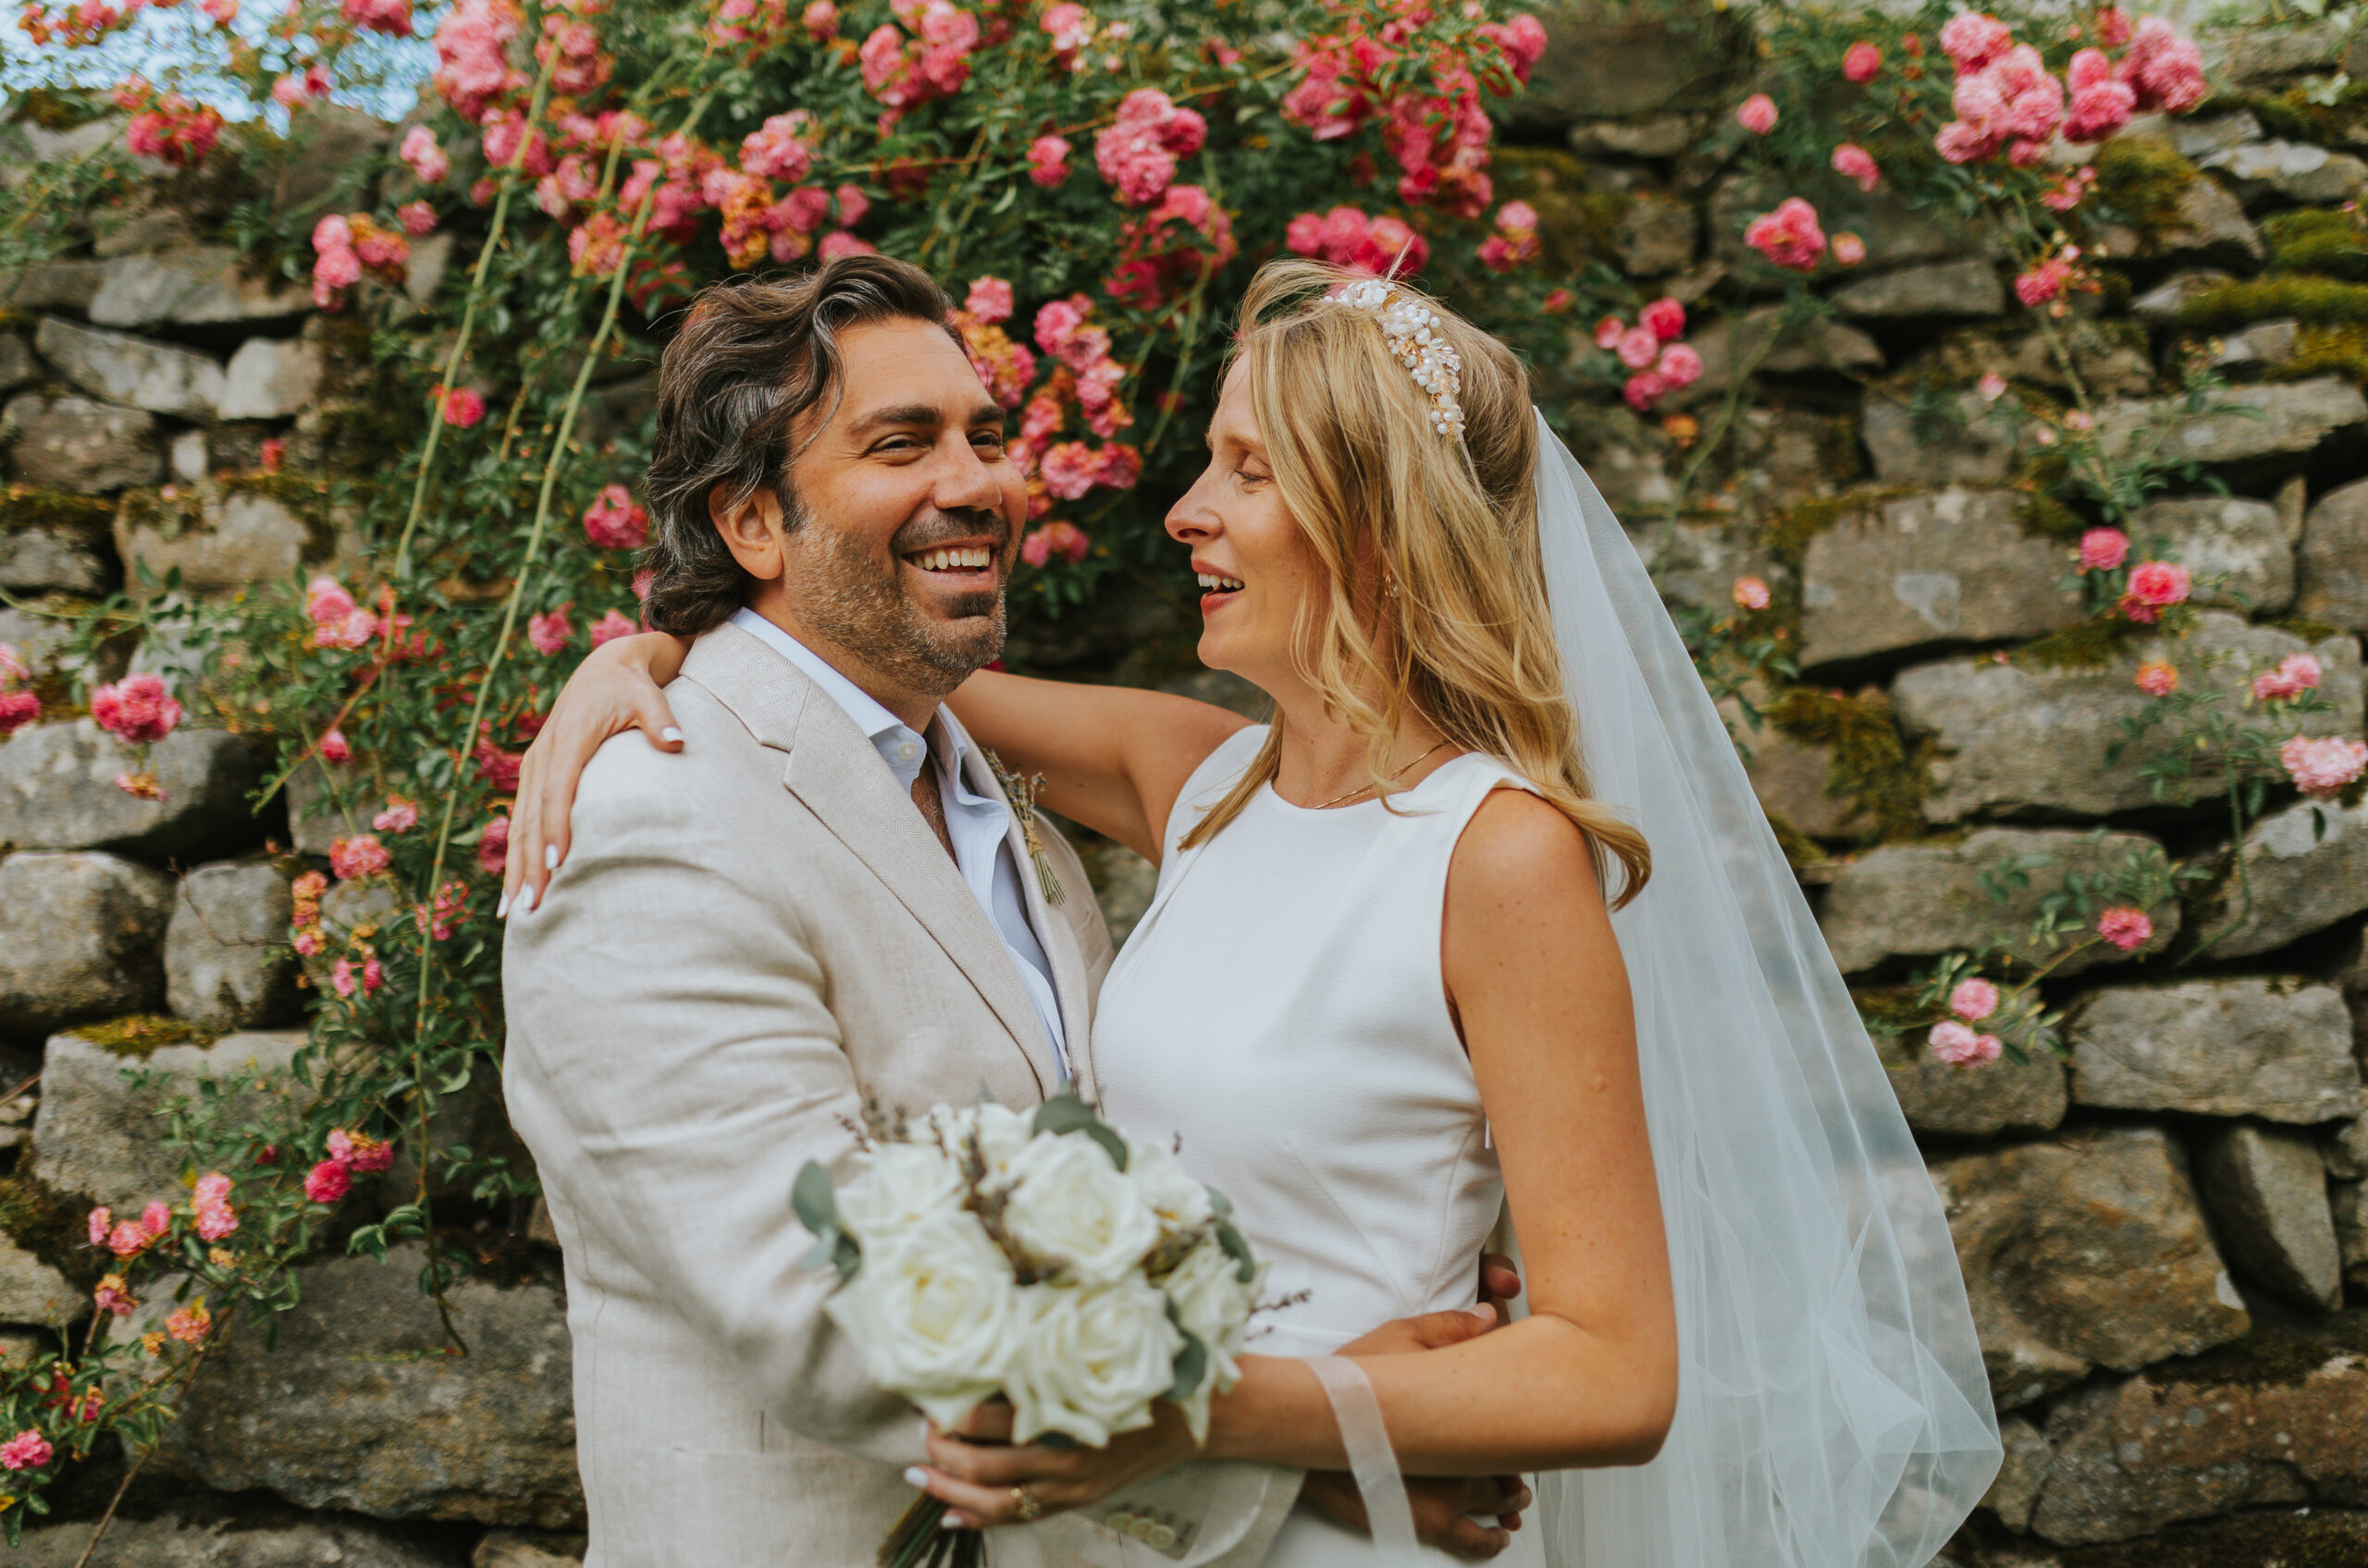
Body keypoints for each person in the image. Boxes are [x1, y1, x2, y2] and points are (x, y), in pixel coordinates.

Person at [507, 258, 2004, 1565]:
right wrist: (643, 655)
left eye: (1247, 468)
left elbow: (1615, 1369)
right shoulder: (1204, 781)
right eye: (908, 440)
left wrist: (1329, 1427)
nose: (1183, 510)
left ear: (1377, 520)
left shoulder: (1496, 856)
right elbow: (834, 670)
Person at [498, 255, 1531, 1568]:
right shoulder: (657, 822)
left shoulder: (1009, 805)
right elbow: (824, 1311)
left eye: (985, 436)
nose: (980, 481)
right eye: (901, 443)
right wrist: (1321, 1448)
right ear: (755, 524)